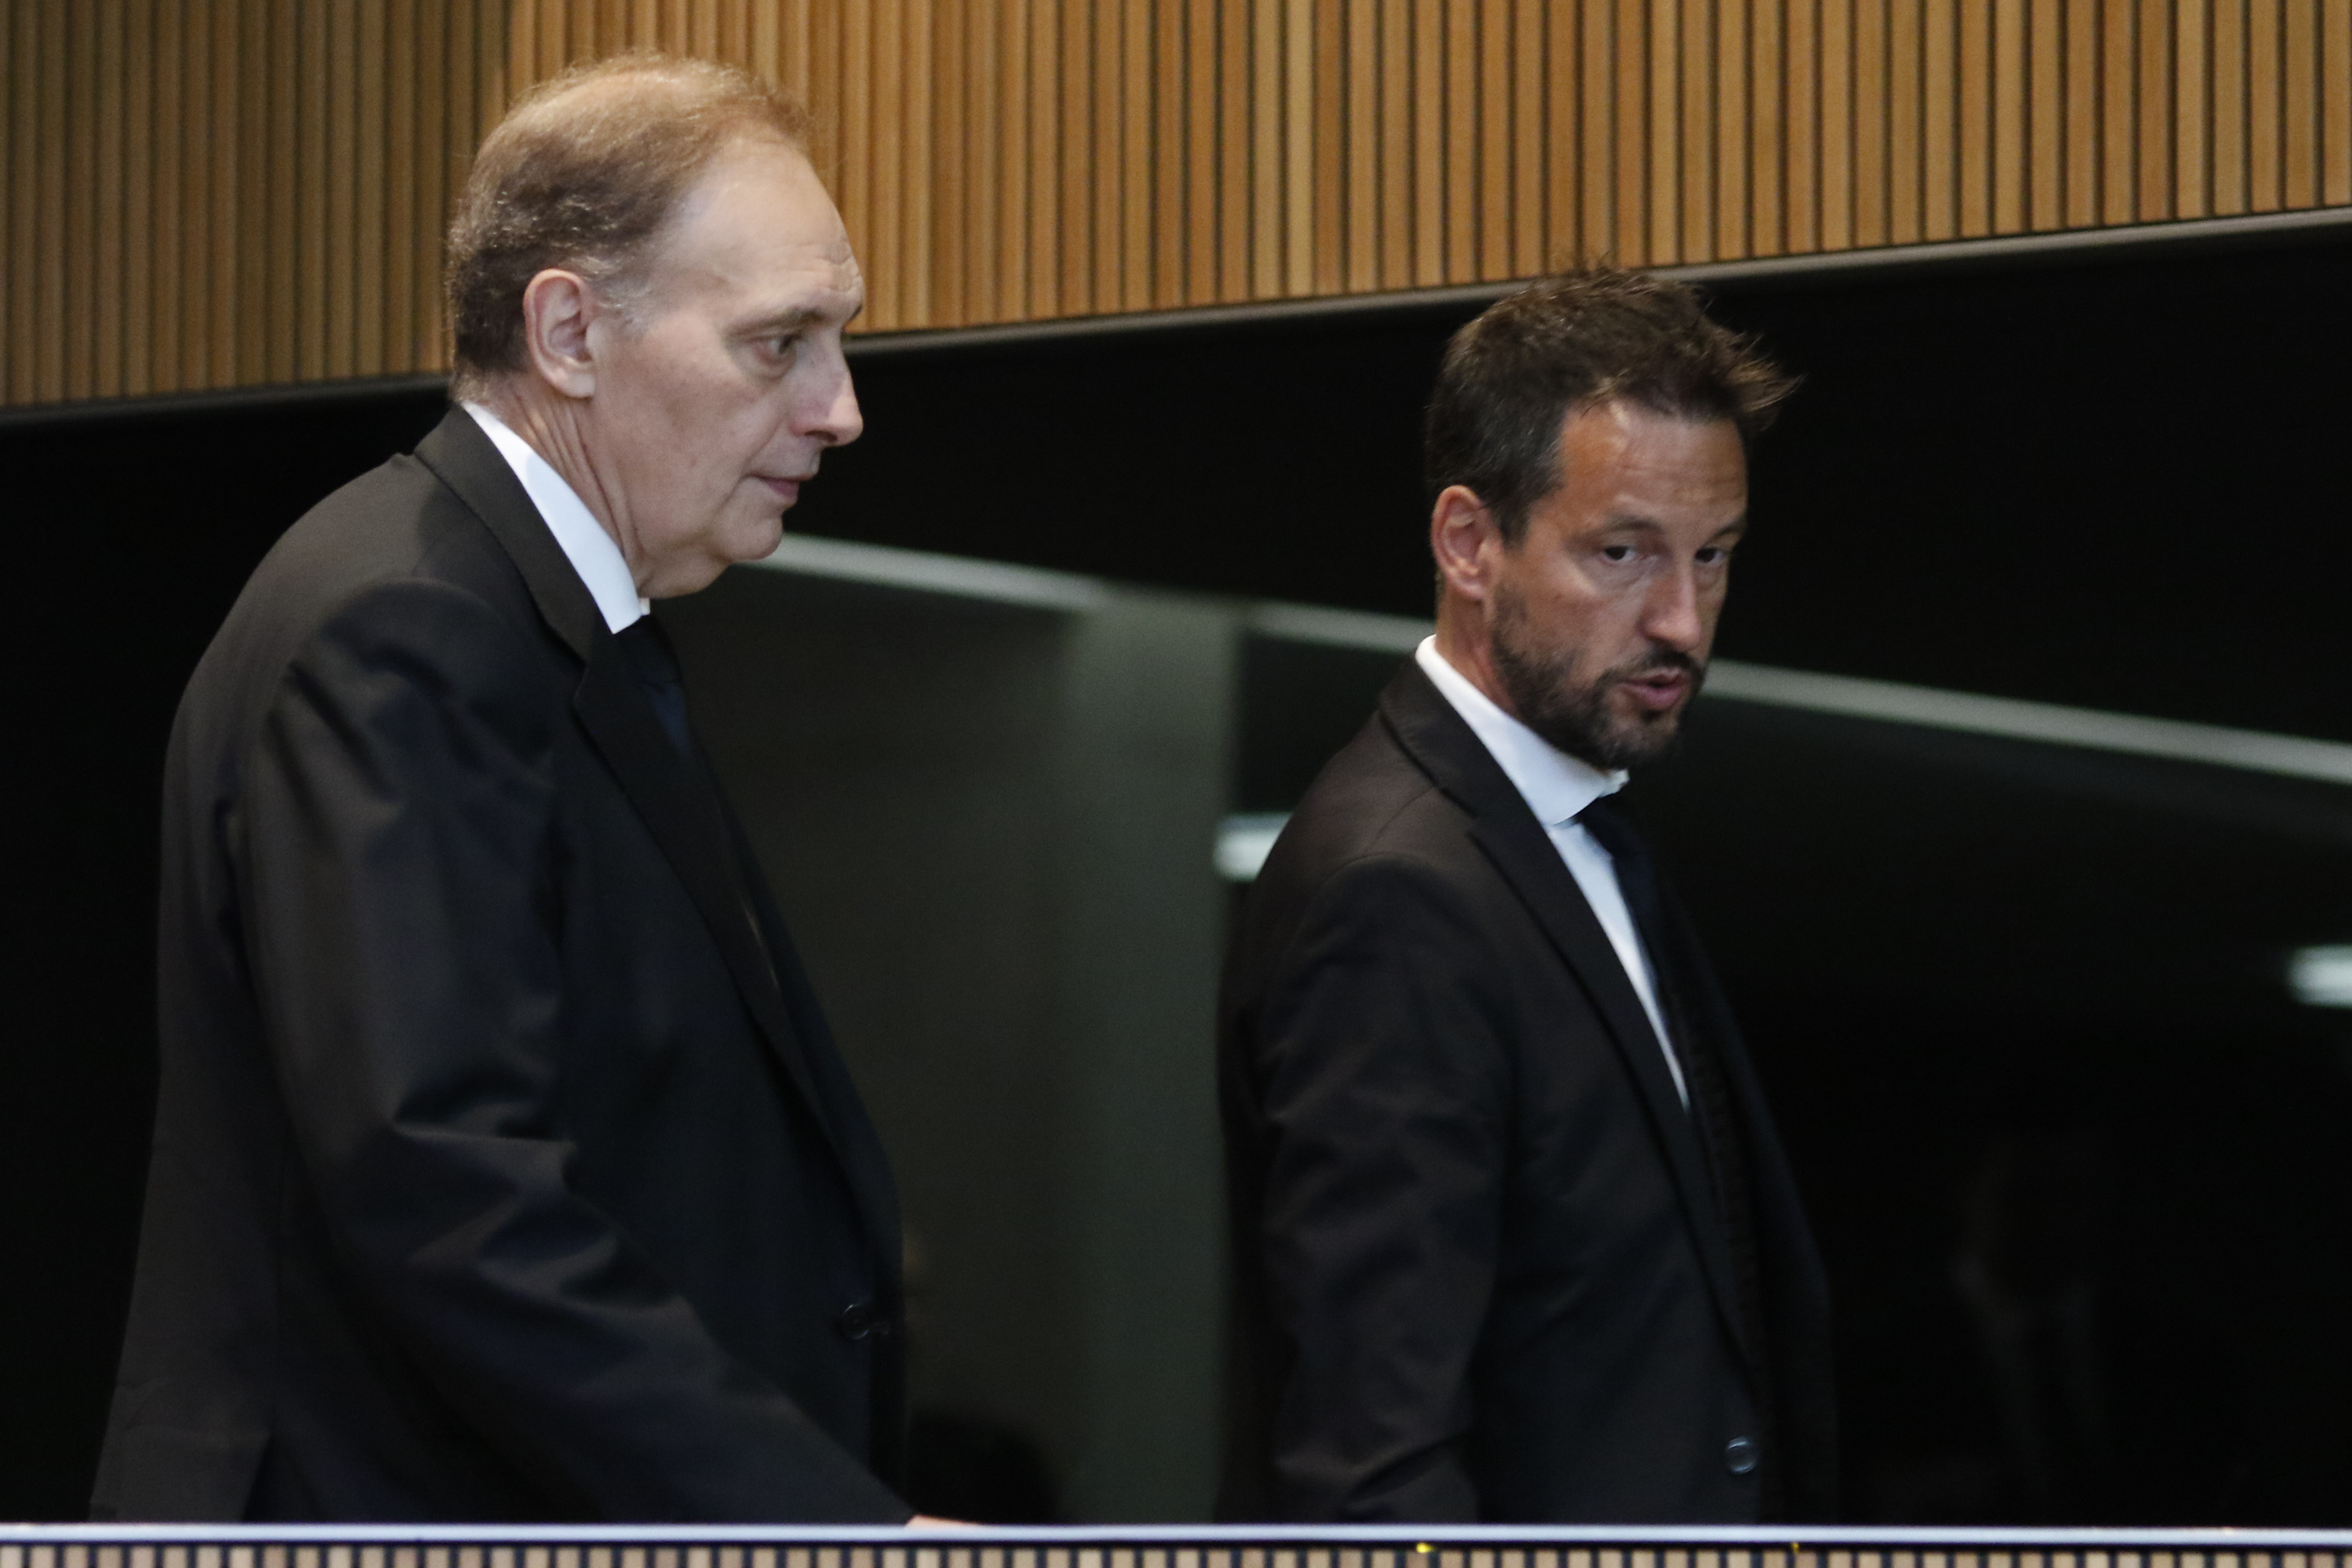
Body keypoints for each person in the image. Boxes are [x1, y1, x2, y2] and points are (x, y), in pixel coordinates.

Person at [91, 55, 930, 1523]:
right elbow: (447, 1195)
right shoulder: (406, 626)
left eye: (837, 342)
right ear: (569, 332)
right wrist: (823, 1529)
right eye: (779, 344)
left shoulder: (525, 618)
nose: (839, 408)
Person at [1217, 270, 1837, 1524]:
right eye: (1622, 553)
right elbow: (1374, 1463)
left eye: (1712, 556)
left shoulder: (1570, 831)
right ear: (1468, 543)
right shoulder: (1397, 891)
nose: (1683, 622)